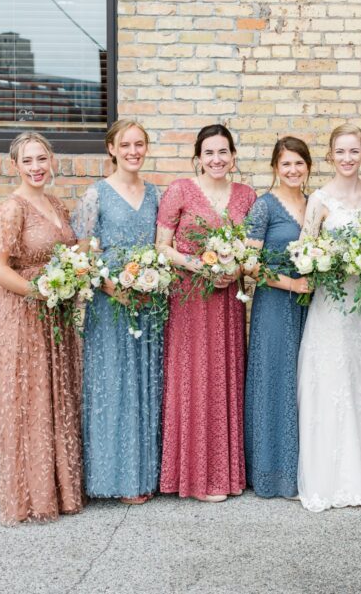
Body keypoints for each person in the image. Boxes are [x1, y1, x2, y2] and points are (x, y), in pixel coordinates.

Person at [295, 123, 361, 512]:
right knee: (333, 379)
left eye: (353, 151)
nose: (347, 158)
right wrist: (329, 261)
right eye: (340, 152)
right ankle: (333, 475)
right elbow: (305, 253)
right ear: (330, 156)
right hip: (331, 304)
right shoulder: (320, 199)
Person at [0, 132, 83, 525]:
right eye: (28, 161)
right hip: (23, 314)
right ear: (15, 166)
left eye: (42, 159)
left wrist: (81, 260)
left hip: (54, 314)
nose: (36, 167)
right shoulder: (13, 209)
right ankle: (31, 496)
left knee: (55, 395)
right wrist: (39, 292)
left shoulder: (56, 203)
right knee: (30, 399)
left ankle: (59, 489)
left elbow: (66, 253)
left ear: (52, 160)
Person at [156, 124, 256, 502]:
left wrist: (236, 268)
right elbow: (161, 247)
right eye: (209, 153)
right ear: (197, 158)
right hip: (189, 299)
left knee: (223, 377)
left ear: (233, 156)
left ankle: (224, 472)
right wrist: (199, 264)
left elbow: (250, 249)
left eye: (224, 152)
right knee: (193, 378)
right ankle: (194, 475)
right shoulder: (180, 190)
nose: (217, 159)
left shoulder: (246, 195)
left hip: (227, 300)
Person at [72, 120, 163, 505]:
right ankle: (113, 477)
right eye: (125, 144)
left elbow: (161, 247)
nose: (133, 151)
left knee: (145, 383)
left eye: (139, 144)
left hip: (148, 302)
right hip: (110, 305)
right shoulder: (96, 194)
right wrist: (111, 286)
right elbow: (81, 255)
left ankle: (143, 475)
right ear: (111, 149)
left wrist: (151, 281)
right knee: (113, 386)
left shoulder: (156, 193)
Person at [244, 137, 312, 499]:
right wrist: (291, 283)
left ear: (308, 167)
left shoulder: (314, 203)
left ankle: (305, 469)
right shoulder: (264, 207)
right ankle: (273, 471)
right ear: (275, 167)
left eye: (299, 163)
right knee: (276, 381)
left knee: (305, 382)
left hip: (309, 307)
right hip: (274, 305)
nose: (292, 170)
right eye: (286, 164)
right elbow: (249, 265)